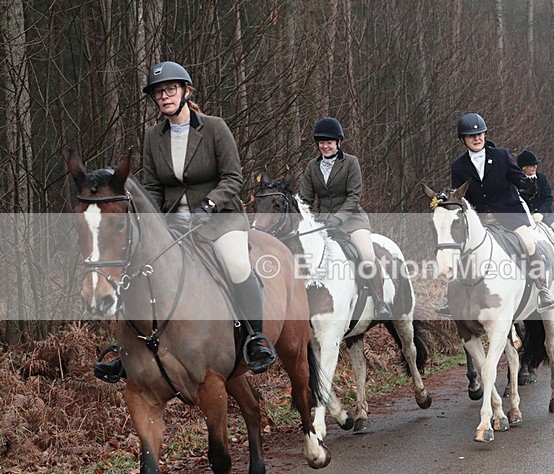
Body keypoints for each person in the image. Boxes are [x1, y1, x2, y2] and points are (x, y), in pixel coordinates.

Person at [93, 61, 276, 383]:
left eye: (169, 90)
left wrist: (210, 202)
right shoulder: (153, 137)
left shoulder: (215, 128)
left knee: (235, 265)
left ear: (186, 91)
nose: (163, 96)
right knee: (138, 270)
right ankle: (128, 353)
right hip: (174, 223)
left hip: (220, 219)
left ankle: (255, 338)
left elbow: (233, 176)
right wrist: (152, 221)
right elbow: (152, 186)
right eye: (158, 93)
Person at [440, 113, 554, 316]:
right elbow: (458, 194)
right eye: (471, 136)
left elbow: (517, 178)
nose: (476, 138)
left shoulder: (501, 156)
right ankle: (452, 299)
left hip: (508, 214)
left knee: (528, 243)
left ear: (485, 135)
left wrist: (526, 185)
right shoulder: (458, 166)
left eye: (480, 134)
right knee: (459, 251)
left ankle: (542, 289)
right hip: (480, 220)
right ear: (463, 139)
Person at [298, 117, 392, 321]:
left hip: (352, 220)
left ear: (338, 142)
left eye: (329, 142)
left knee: (367, 255)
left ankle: (380, 301)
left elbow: (354, 196)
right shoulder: (312, 167)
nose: (325, 146)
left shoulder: (350, 162)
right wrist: (309, 220)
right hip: (323, 224)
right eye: (322, 143)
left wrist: (339, 218)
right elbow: (305, 198)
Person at [515, 150, 554, 273]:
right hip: (526, 217)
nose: (535, 167)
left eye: (535, 165)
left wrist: (540, 213)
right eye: (531, 165)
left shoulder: (541, 178)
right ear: (523, 168)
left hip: (544, 215)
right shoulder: (517, 181)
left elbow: (548, 197)